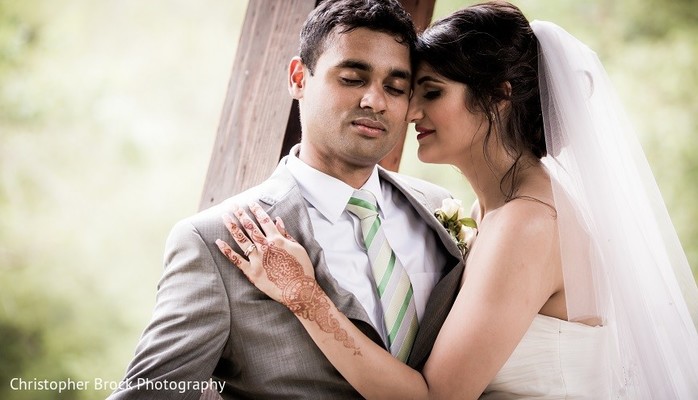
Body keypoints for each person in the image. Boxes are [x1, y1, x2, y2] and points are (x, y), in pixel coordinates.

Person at [217, 1, 698, 399]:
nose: (410, 112)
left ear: (499, 96)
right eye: (413, 91)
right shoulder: (483, 210)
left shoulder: (529, 223)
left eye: (430, 92)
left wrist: (307, 299)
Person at [109, 0, 466, 399]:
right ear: (299, 78)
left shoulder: (438, 208)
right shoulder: (211, 242)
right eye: (352, 78)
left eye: (395, 87)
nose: (375, 101)